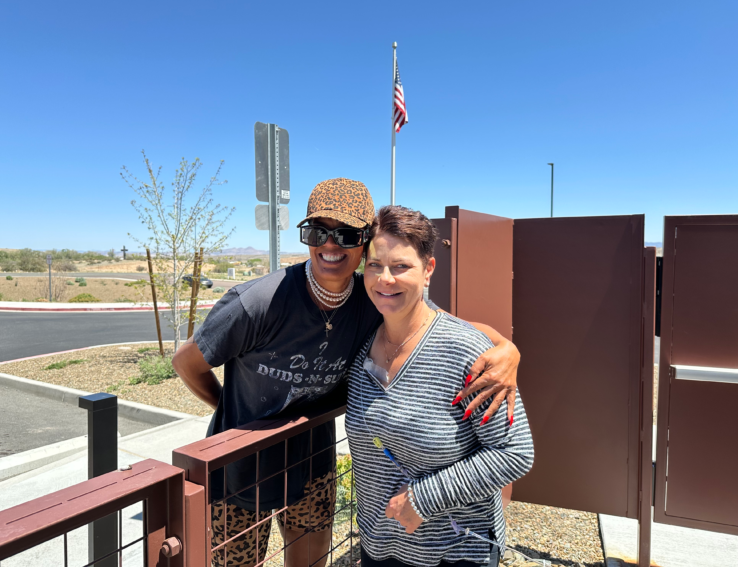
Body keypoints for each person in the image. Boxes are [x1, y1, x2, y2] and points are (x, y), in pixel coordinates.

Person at [172, 178, 522, 567]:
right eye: (317, 231)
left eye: (347, 233)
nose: (330, 244)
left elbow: (451, 327)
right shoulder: (257, 302)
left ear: (365, 241)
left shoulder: (374, 295)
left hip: (311, 459)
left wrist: (509, 351)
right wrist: (231, 410)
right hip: (238, 465)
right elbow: (186, 362)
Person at [346, 205, 534, 567]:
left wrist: (424, 498)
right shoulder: (361, 343)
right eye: (375, 265)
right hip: (378, 547)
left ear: (428, 270)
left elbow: (514, 451)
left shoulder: (468, 353)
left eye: (401, 266)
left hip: (455, 551)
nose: (385, 279)